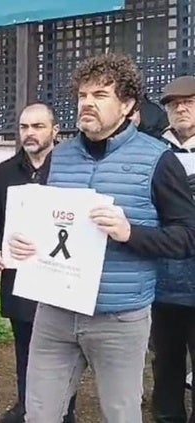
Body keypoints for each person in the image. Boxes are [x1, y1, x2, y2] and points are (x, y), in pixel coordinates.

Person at [7, 53, 195, 423]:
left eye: (100, 95)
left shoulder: (158, 160)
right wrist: (20, 243)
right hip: (55, 313)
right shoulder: (58, 158)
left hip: (120, 317)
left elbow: (186, 237)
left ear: (127, 105)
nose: (87, 102)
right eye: (82, 95)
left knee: (121, 415)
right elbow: (40, 223)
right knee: (39, 414)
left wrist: (130, 233)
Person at [0, 103, 77, 423]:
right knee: (24, 343)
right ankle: (26, 406)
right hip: (19, 275)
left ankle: (65, 410)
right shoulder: (5, 171)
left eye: (38, 126)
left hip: (60, 274)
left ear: (55, 131)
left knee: (63, 349)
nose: (30, 133)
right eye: (24, 127)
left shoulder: (70, 168)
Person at [150, 75, 195, 422]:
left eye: (189, 102)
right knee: (165, 358)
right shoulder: (153, 149)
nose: (180, 108)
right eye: (173, 103)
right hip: (163, 276)